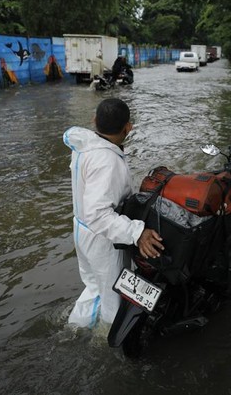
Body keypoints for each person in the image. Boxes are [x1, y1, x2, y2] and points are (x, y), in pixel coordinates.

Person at [62, 98, 164, 328]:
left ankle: (74, 329)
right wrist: (137, 233)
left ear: (94, 120)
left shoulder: (84, 146)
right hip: (102, 240)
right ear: (128, 127)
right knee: (112, 298)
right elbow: (99, 214)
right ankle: (105, 345)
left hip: (82, 231)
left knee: (94, 287)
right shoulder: (107, 160)